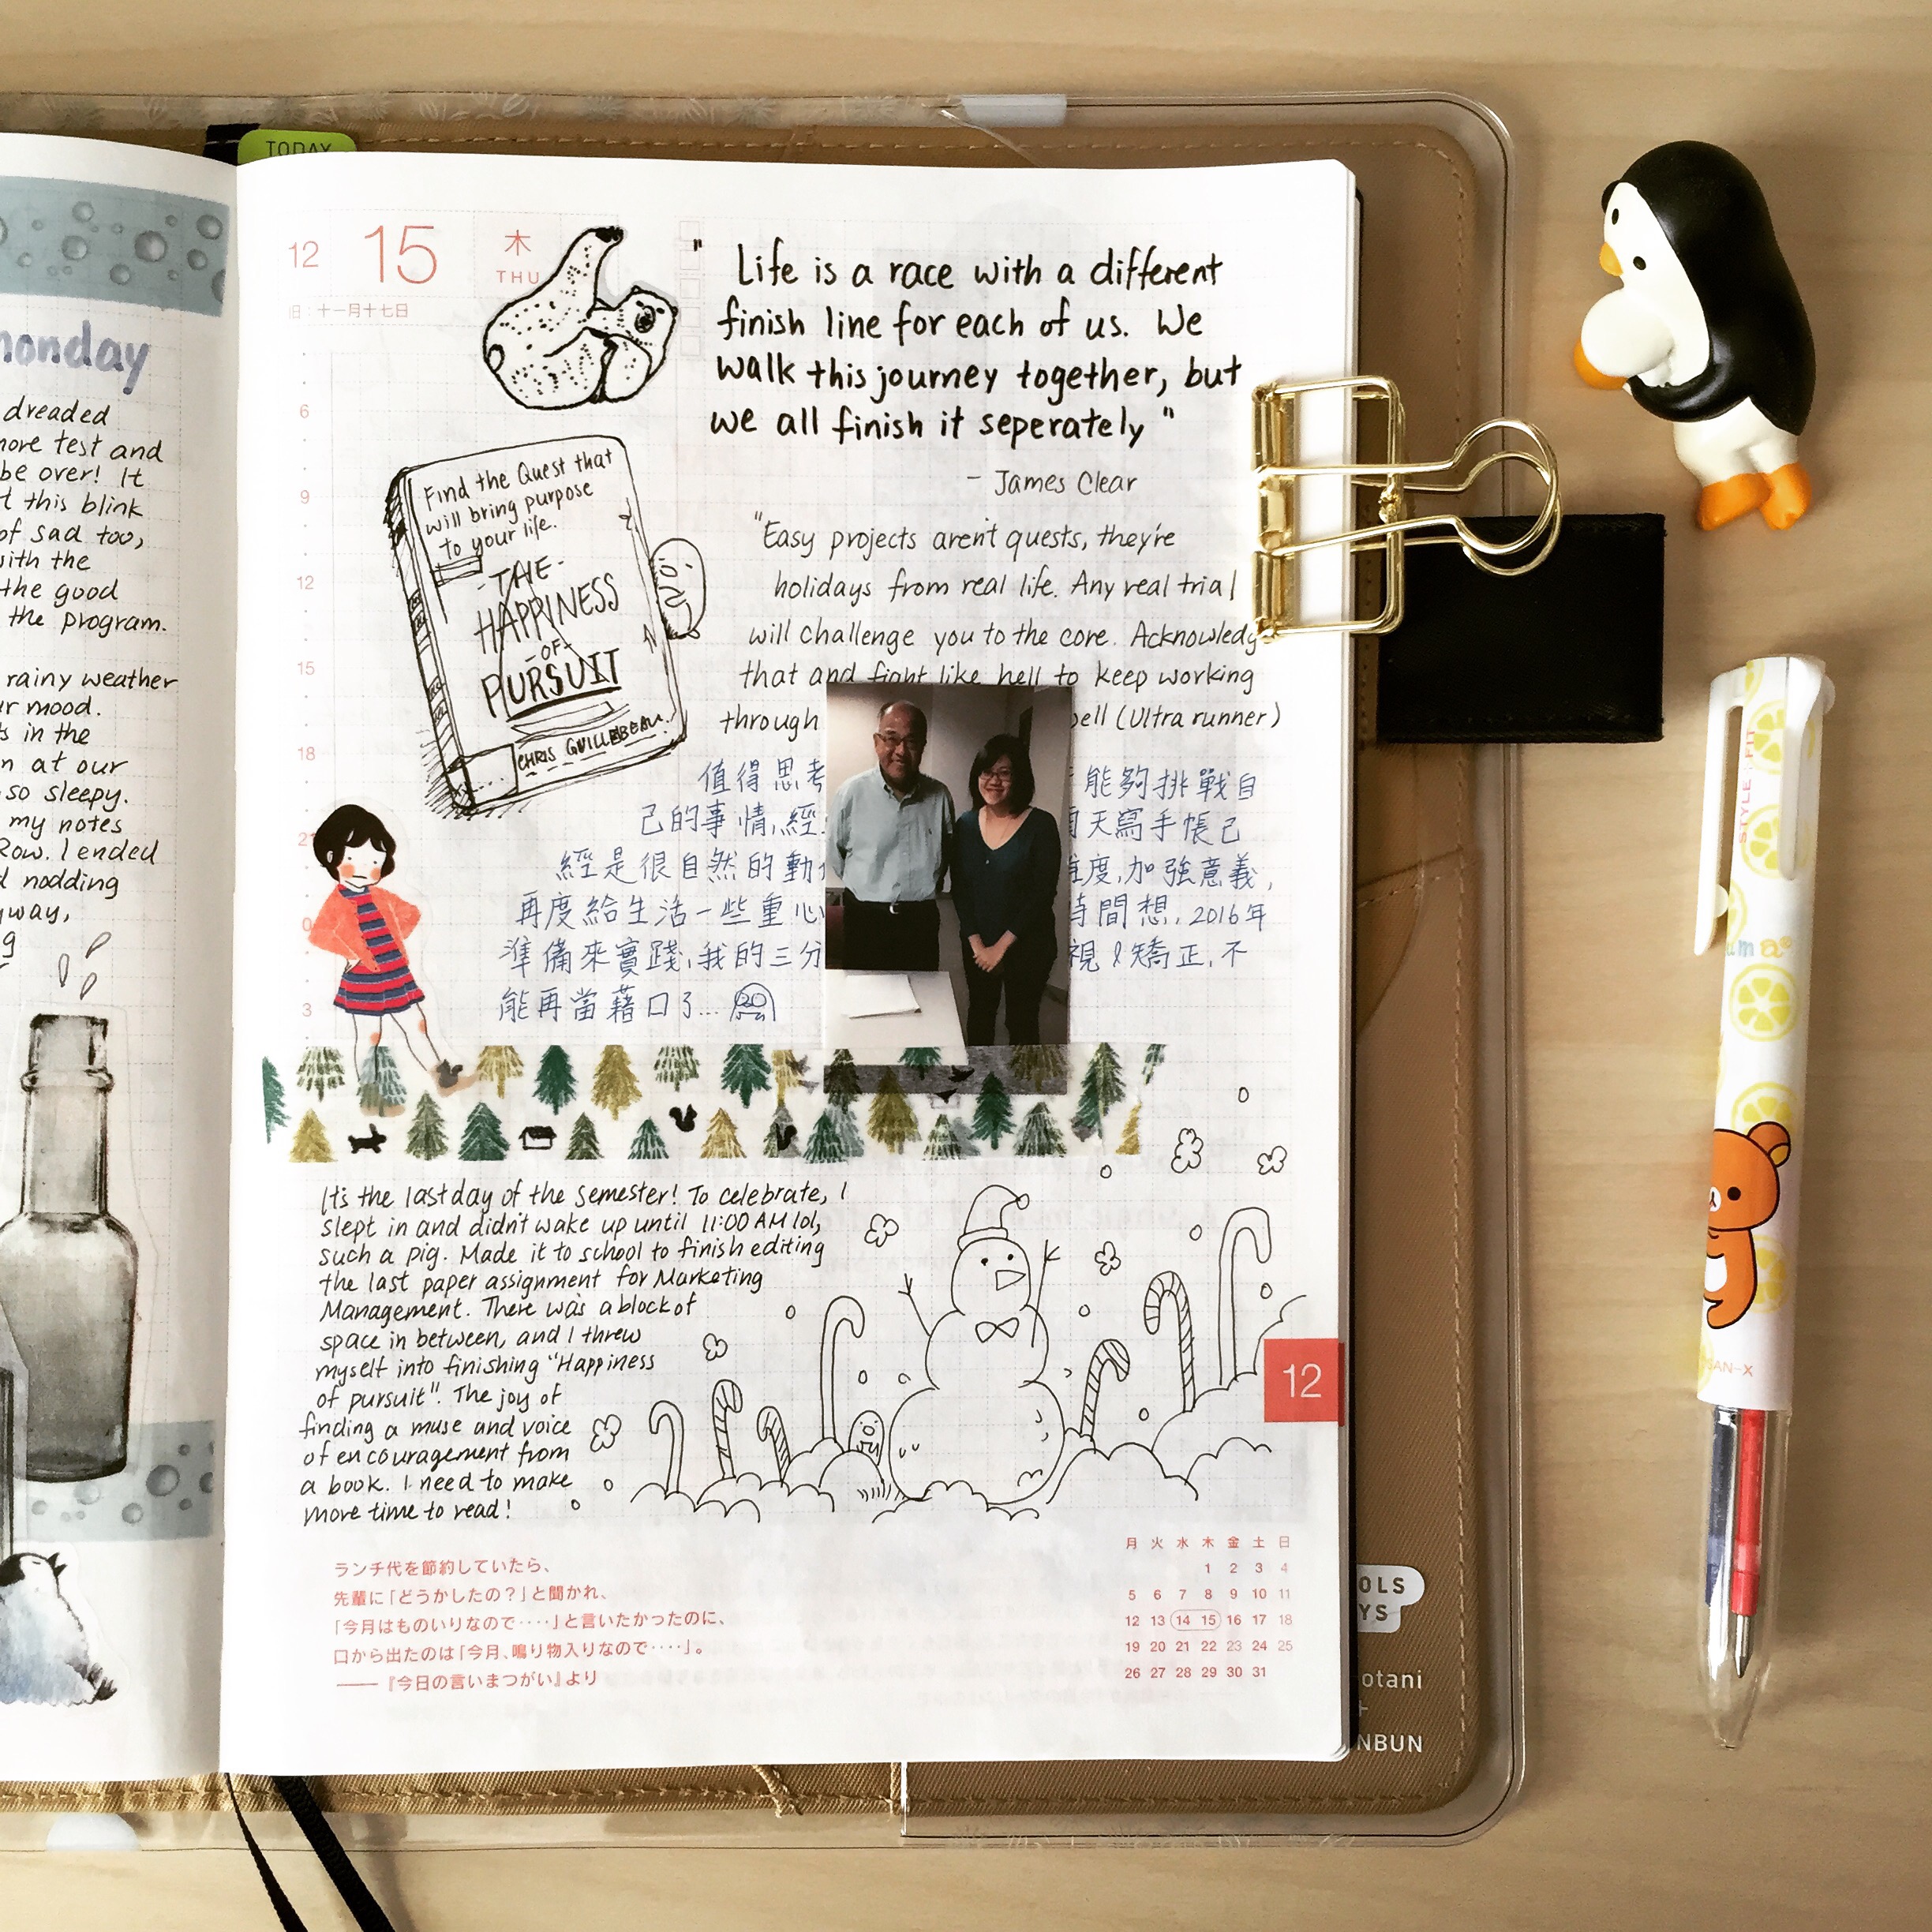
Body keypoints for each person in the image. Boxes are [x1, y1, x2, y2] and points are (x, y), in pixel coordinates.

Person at [308, 803, 466, 1098]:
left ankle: (441, 1074)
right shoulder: (337, 902)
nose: (364, 870)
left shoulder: (381, 896)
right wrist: (353, 954)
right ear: (331, 857)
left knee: (417, 1024)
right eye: (353, 859)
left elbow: (412, 913)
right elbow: (319, 934)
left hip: (394, 973)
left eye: (374, 862)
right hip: (364, 979)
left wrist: (393, 941)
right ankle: (368, 1089)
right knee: (371, 1035)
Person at [951, 734, 1061, 1046]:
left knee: (1022, 1023)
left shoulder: (1041, 825)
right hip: (978, 945)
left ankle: (1022, 1080)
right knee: (980, 1017)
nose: (994, 781)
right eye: (986, 772)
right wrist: (978, 945)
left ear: (1020, 777)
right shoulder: (966, 825)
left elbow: (1042, 894)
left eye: (1004, 773)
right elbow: (960, 889)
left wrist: (1000, 948)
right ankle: (980, 1078)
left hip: (1028, 946)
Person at [828, 700, 955, 972]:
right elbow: (836, 856)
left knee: (922, 993)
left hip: (919, 922)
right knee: (864, 992)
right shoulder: (851, 794)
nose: (900, 751)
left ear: (923, 746)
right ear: (877, 742)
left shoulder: (940, 797)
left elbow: (946, 853)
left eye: (912, 741)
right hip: (865, 920)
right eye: (891, 738)